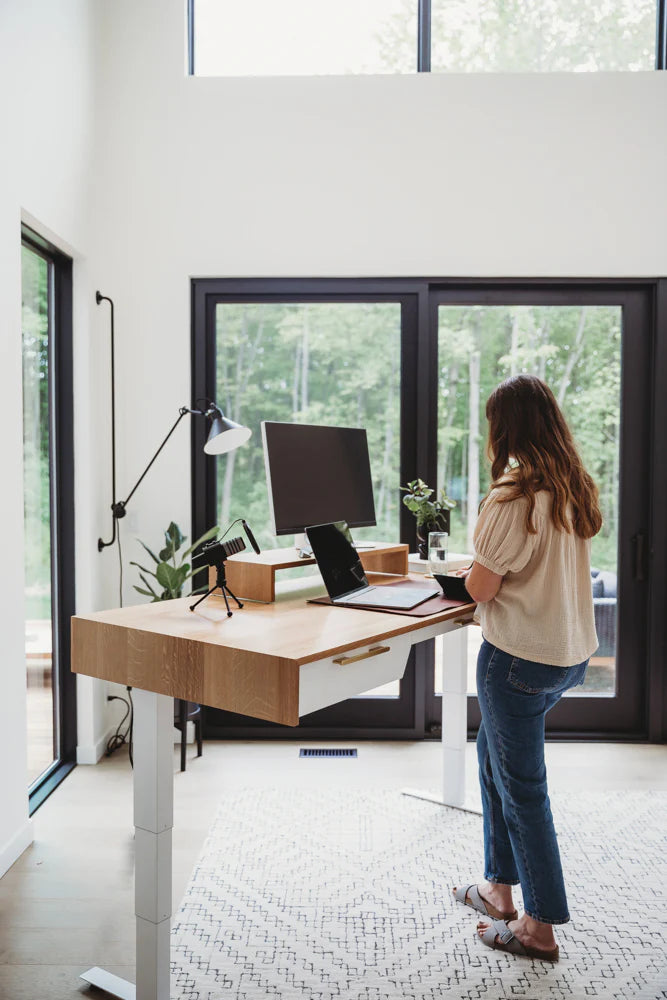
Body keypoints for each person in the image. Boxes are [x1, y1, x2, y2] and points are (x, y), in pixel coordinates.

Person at [451, 373, 602, 962]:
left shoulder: (513, 498)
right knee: (494, 764)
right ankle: (497, 890)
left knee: (522, 791)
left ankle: (539, 927)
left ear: (505, 429)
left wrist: (471, 567)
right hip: (566, 658)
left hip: (516, 661)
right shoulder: (574, 488)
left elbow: (481, 588)